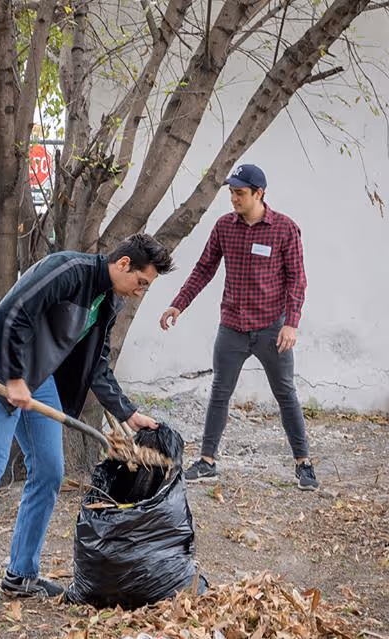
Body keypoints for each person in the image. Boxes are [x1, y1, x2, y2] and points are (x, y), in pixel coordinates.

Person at [0, 234, 175, 616]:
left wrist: (128, 413)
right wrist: (15, 377)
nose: (140, 291)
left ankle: (21, 574)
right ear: (123, 265)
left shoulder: (107, 302)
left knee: (50, 470)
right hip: (0, 367)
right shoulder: (69, 269)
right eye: (142, 282)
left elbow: (97, 365)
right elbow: (15, 311)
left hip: (38, 379)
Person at [159, 164, 318, 492]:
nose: (233, 198)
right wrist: (178, 303)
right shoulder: (224, 227)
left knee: (285, 394)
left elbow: (297, 280)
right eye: (231, 192)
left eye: (240, 193)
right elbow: (204, 268)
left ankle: (303, 463)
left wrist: (291, 323)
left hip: (272, 329)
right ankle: (207, 461)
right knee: (220, 392)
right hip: (232, 327)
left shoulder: (285, 229)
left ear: (259, 193)